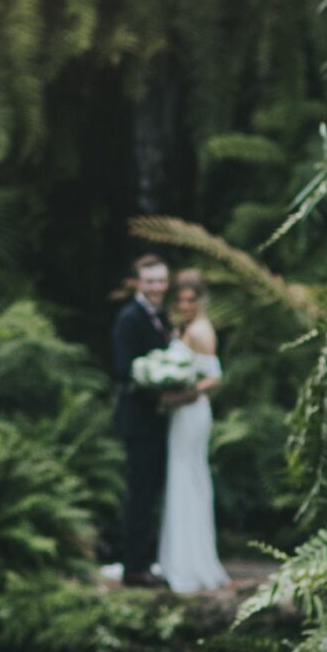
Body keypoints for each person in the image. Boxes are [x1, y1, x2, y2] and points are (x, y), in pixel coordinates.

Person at [157, 269, 229, 596]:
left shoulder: (201, 332)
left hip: (192, 411)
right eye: (180, 299)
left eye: (190, 299)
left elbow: (214, 377)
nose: (185, 305)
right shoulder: (182, 328)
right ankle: (176, 557)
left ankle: (191, 561)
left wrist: (183, 395)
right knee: (179, 477)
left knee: (190, 476)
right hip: (180, 413)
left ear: (201, 301)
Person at [111, 252, 173, 587]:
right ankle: (134, 567)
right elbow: (124, 369)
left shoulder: (159, 315)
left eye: (162, 280)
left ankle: (146, 560)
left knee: (152, 490)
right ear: (138, 283)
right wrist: (159, 384)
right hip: (139, 419)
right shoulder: (129, 318)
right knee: (140, 491)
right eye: (150, 281)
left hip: (158, 419)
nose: (157, 287)